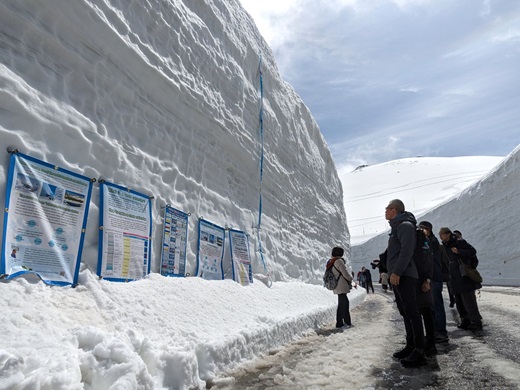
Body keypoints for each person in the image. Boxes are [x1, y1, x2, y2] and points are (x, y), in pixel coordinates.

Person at [382, 199, 426, 367]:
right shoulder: (397, 227)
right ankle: (411, 345)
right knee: (405, 311)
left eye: (387, 208)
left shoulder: (405, 225)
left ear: (394, 210)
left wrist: (397, 271)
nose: (385, 211)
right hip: (399, 275)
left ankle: (420, 351)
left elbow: (407, 250)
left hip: (404, 275)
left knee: (412, 312)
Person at [439, 227, 483, 332]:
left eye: (442, 234)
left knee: (469, 301)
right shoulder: (444, 247)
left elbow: (472, 251)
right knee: (459, 301)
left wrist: (459, 251)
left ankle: (476, 323)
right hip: (454, 278)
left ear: (448, 234)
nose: (440, 236)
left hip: (464, 278)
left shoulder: (459, 243)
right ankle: (465, 321)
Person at [419, 221, 449, 346]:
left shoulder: (431, 241)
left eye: (423, 229)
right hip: (431, 277)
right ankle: (434, 332)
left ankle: (441, 333)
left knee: (437, 306)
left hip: (434, 277)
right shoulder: (427, 241)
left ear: (428, 229)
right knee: (430, 307)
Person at [326, 247, 354, 329]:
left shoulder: (332, 261)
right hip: (341, 285)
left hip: (337, 285)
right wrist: (351, 278)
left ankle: (345, 322)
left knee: (343, 303)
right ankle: (340, 323)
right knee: (344, 304)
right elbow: (345, 273)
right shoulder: (339, 261)